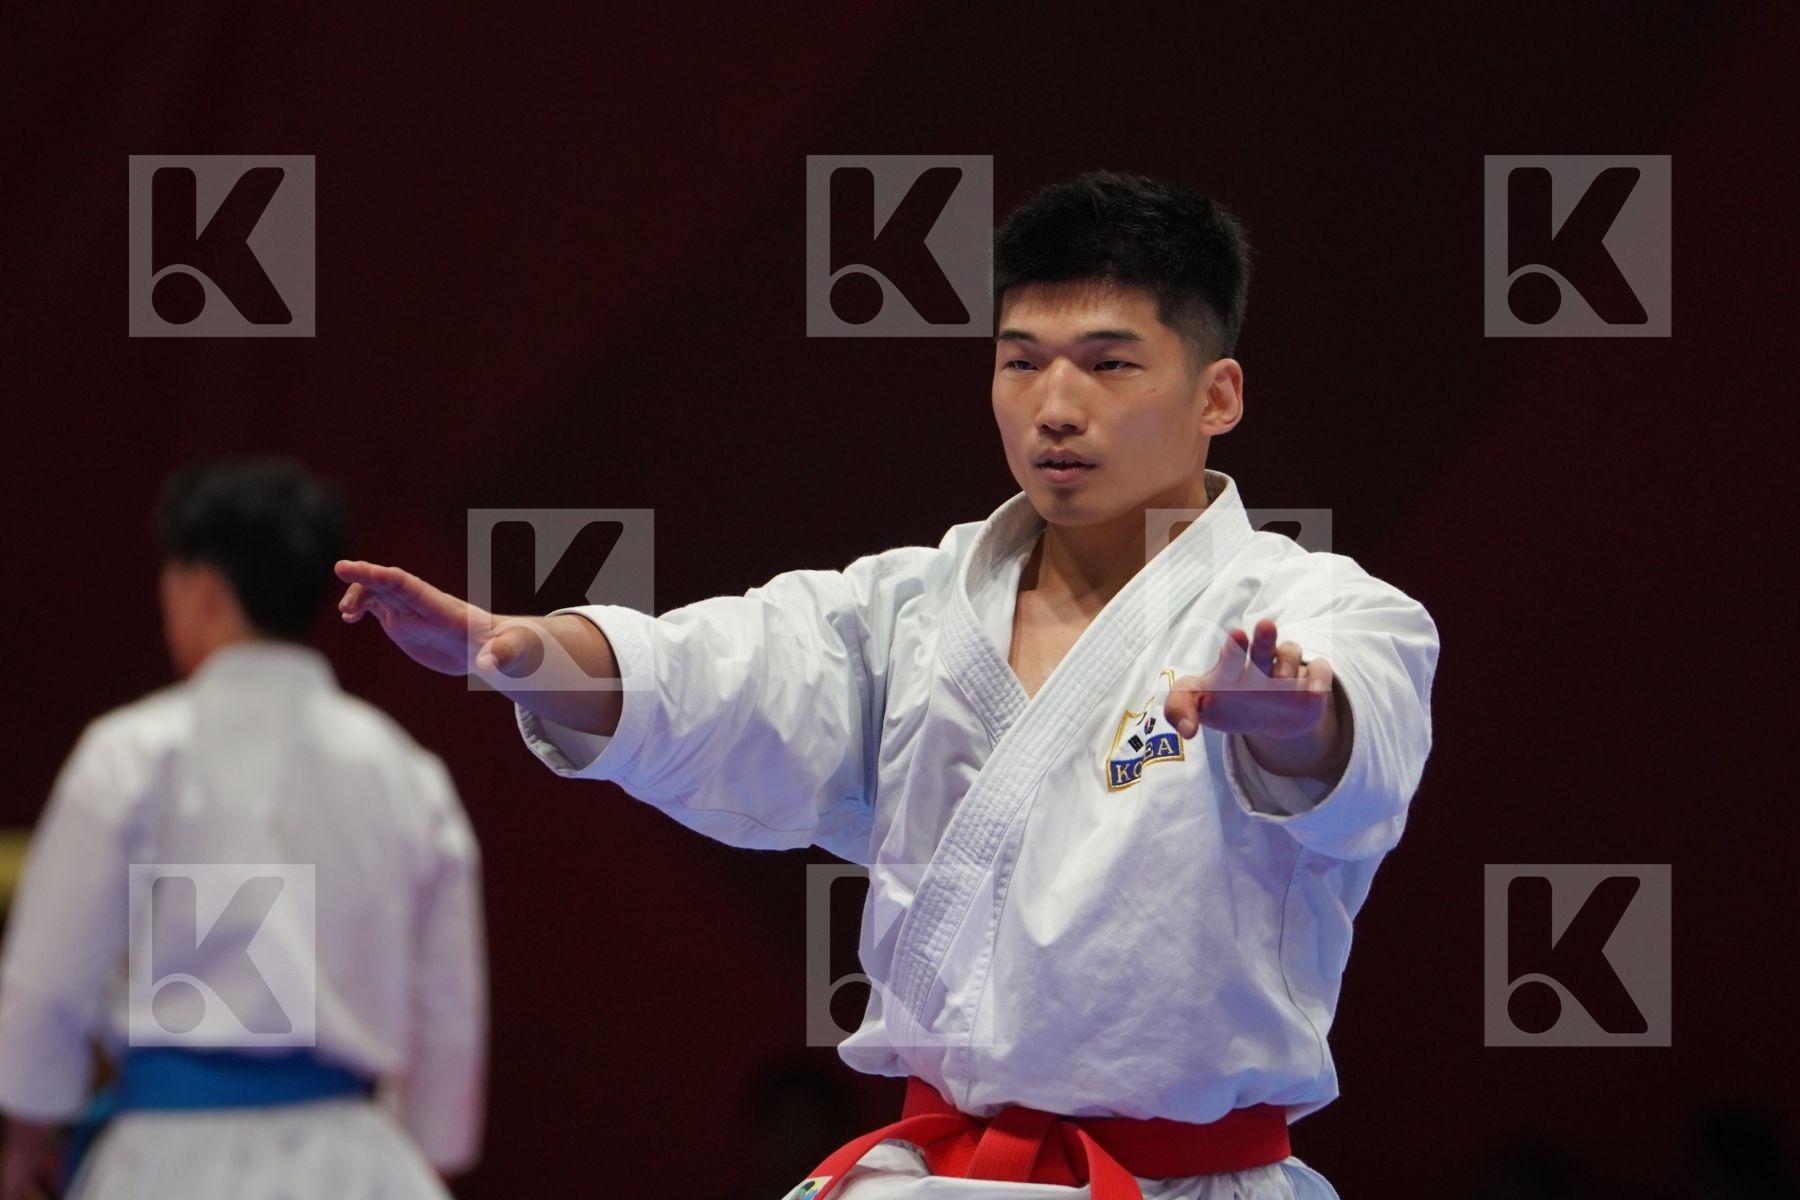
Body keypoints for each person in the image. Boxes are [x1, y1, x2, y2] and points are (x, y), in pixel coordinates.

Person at [337, 170, 1438, 1199]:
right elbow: (720, 675)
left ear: (1218, 396)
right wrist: (530, 654)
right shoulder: (911, 606)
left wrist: (1295, 722)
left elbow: (1359, 741)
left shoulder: (1326, 613)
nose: (1056, 406)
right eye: (1022, 361)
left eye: (1109, 364)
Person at [0, 457, 486, 1200]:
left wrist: (30, 1126)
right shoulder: (404, 773)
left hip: (164, 1168)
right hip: (353, 1163)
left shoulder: (132, 753)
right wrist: (424, 1152)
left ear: (201, 590)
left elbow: (46, 978)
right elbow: (447, 1006)